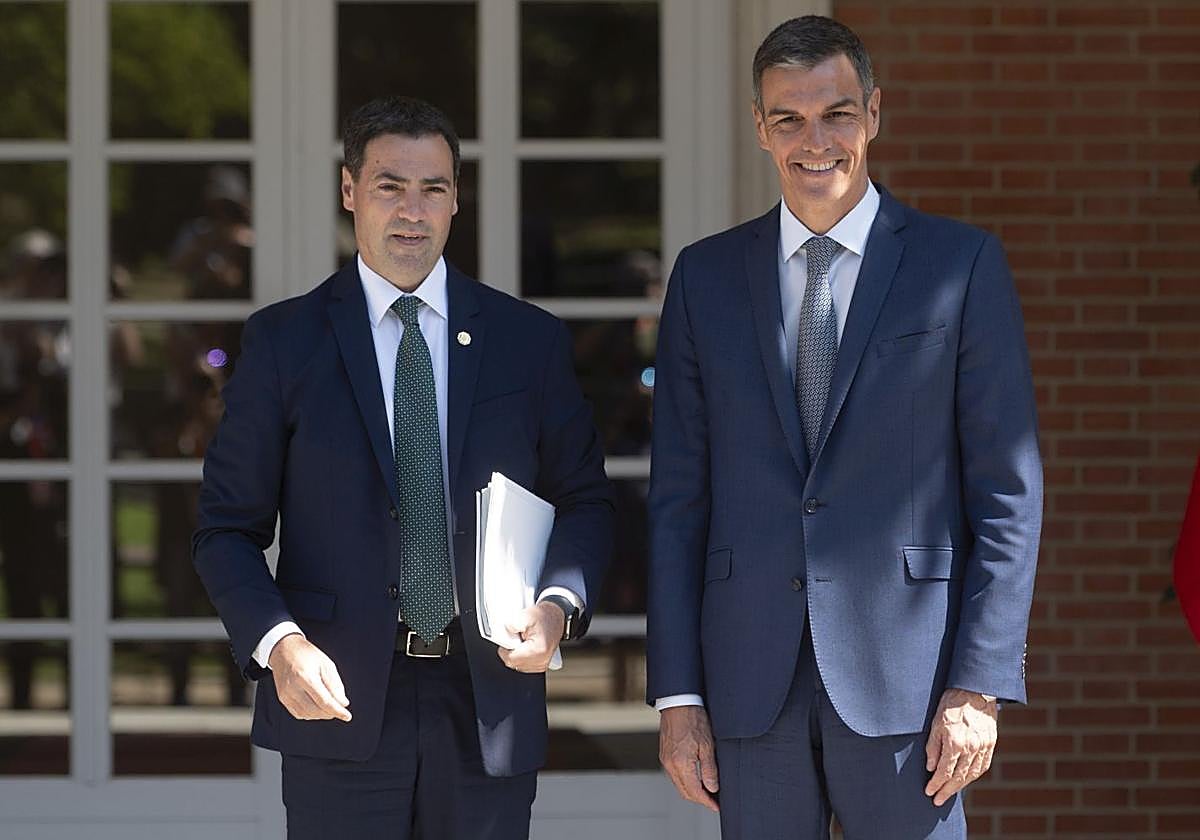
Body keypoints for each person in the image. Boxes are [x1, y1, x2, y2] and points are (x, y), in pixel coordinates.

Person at [647, 16, 1041, 839]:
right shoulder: (704, 278)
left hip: (912, 684)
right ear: (760, 127)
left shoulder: (958, 266)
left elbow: (1007, 489)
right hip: (751, 680)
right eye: (788, 118)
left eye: (836, 114)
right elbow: (678, 497)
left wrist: (980, 683)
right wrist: (679, 695)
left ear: (873, 113)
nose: (814, 140)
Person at [193, 96, 612, 839]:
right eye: (390, 186)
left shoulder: (528, 342)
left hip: (488, 699)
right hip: (339, 696)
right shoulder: (285, 342)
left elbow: (584, 500)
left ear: (457, 199)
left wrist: (557, 606)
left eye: (434, 189)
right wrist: (279, 644)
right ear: (350, 191)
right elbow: (226, 529)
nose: (412, 212)